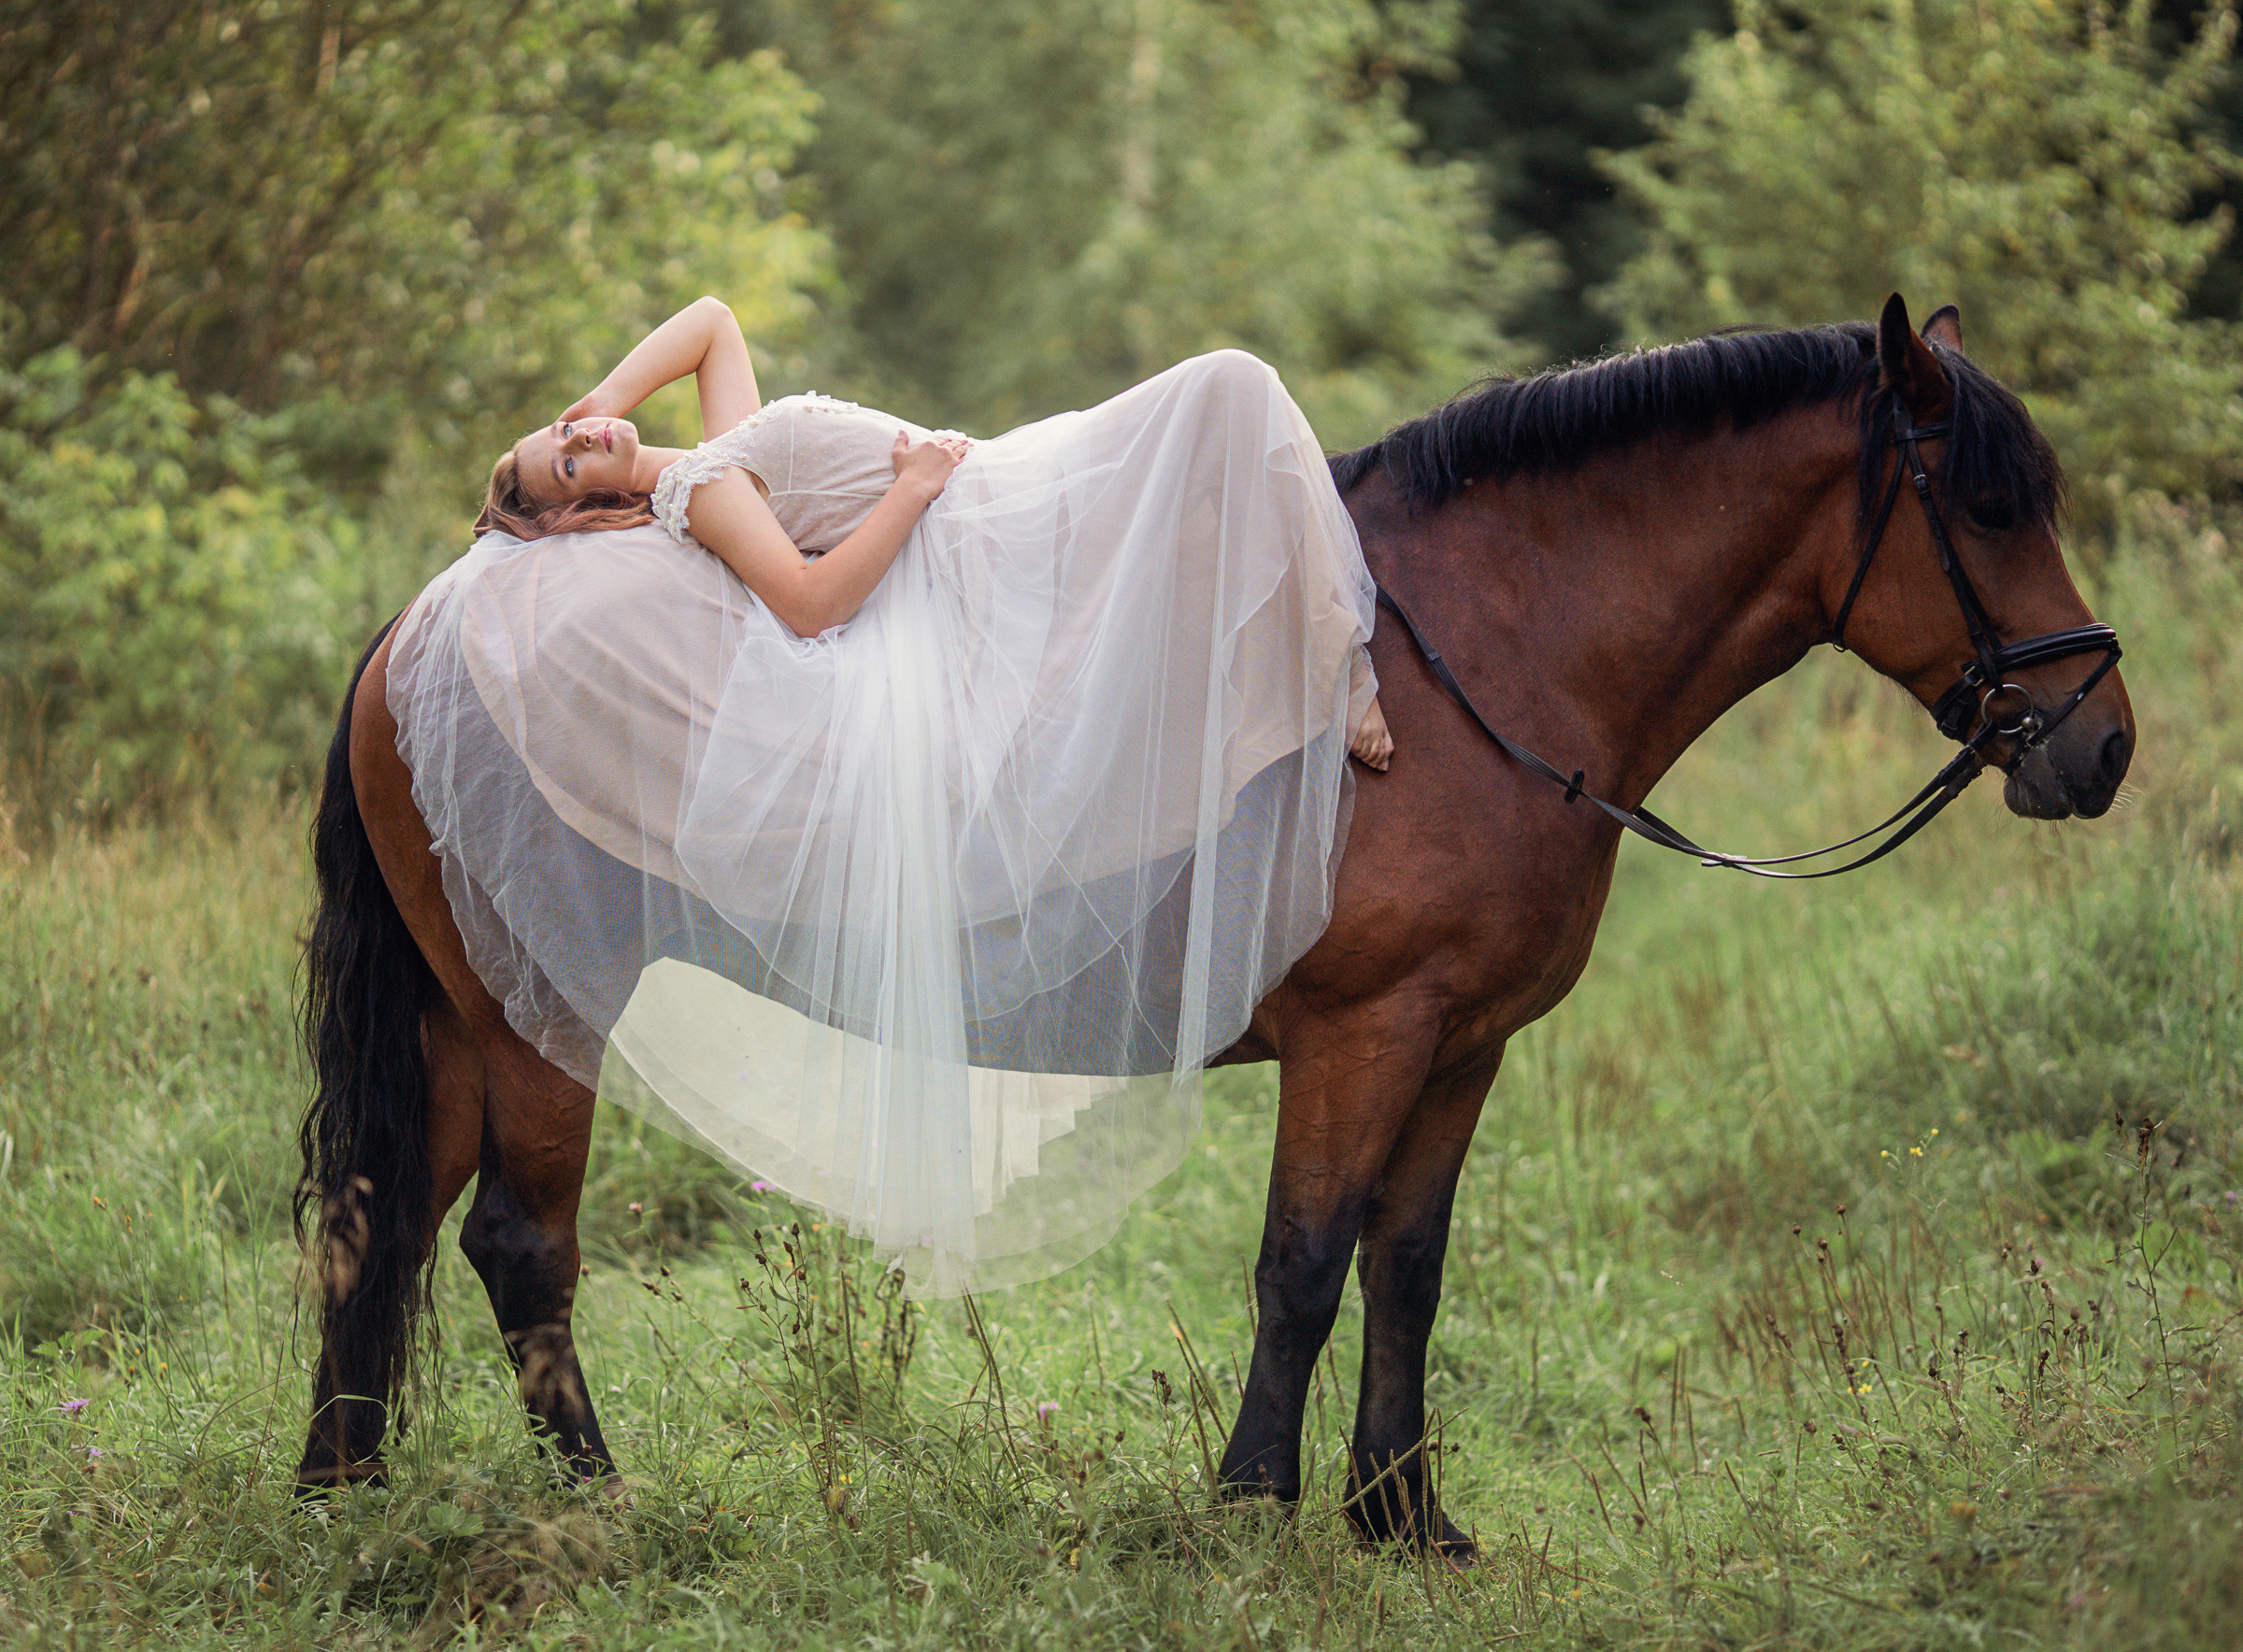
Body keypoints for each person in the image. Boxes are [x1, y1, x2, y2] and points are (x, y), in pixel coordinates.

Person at [388, 296, 1388, 1293]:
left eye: (565, 431)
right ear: (582, 510)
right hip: (977, 524)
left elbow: (713, 323)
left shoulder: (719, 449)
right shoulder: (703, 488)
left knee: (1230, 402)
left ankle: (1323, 648)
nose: (582, 440)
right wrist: (913, 489)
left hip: (994, 489)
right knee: (1231, 389)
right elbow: (811, 606)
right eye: (569, 465)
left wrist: (596, 404)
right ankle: (1339, 658)